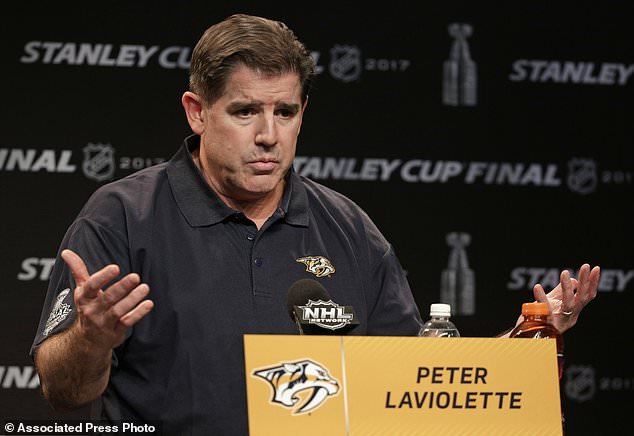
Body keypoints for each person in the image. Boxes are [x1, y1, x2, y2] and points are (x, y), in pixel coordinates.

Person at [31, 13, 600, 435]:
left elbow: (416, 392)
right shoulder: (123, 215)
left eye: (285, 112)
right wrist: (93, 338)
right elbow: (63, 391)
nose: (268, 135)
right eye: (245, 111)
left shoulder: (349, 228)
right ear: (197, 112)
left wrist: (528, 335)